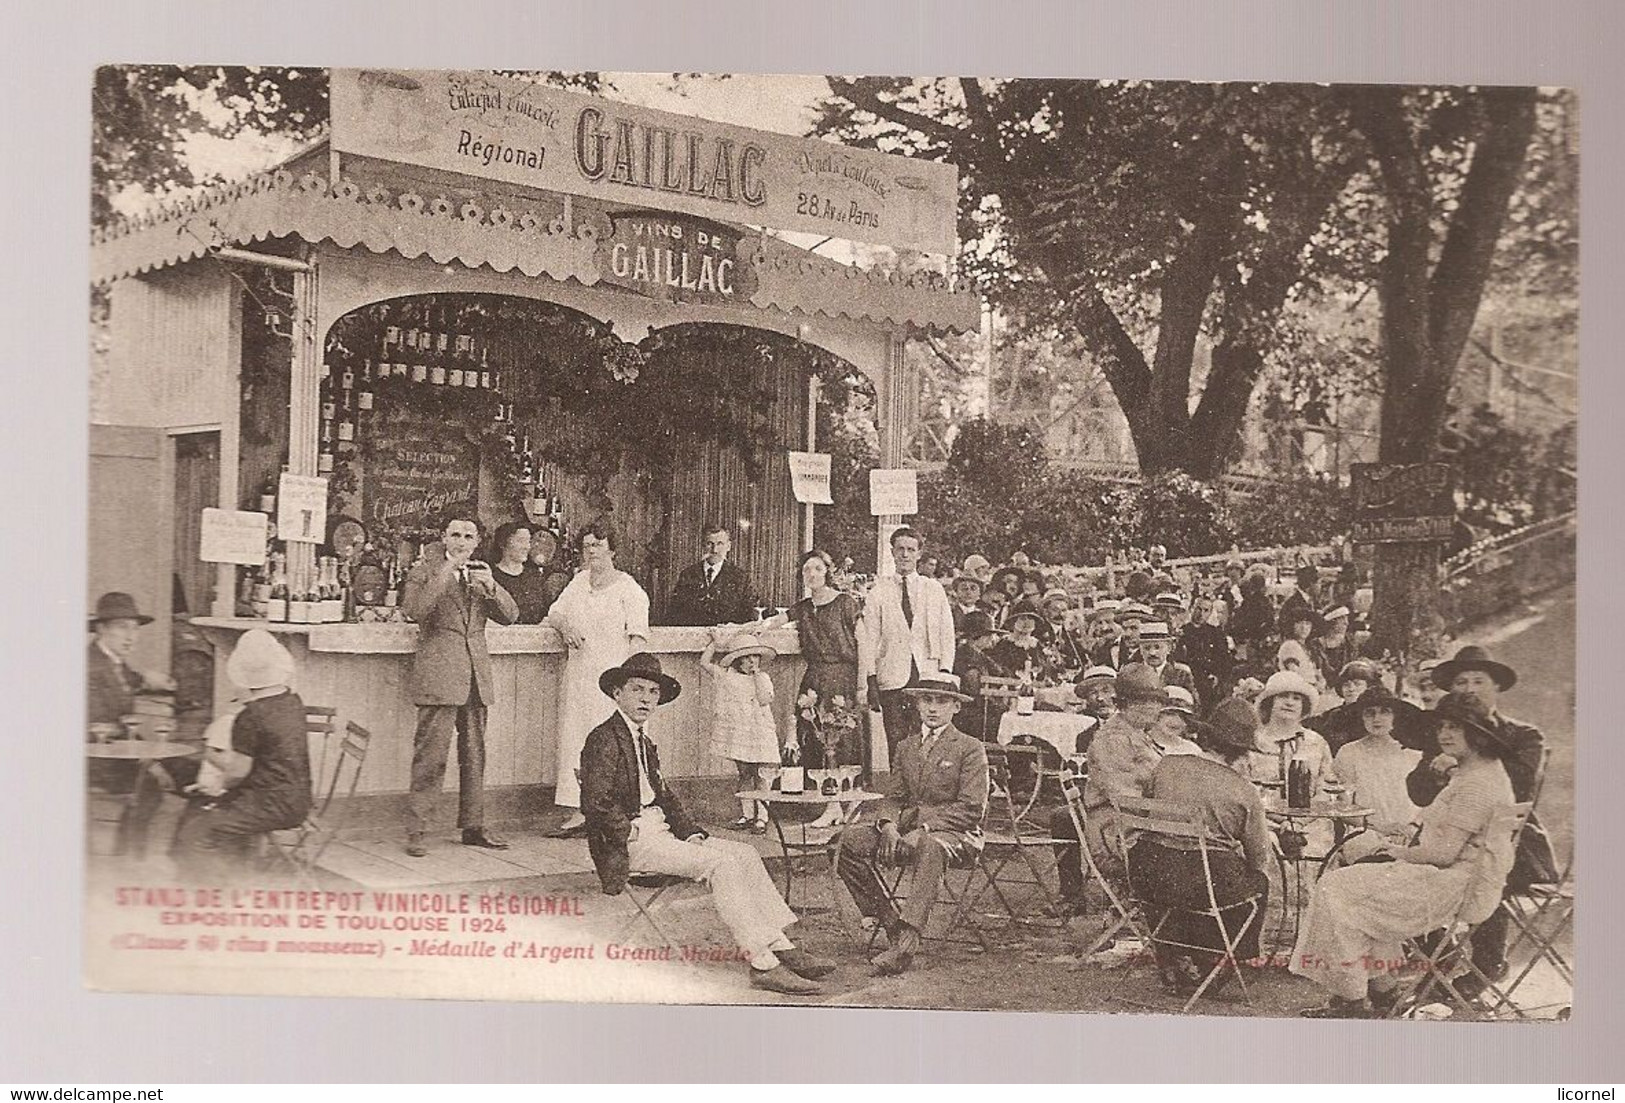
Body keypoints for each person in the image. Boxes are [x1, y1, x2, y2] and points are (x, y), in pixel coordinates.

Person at [579, 653, 833, 996]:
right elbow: (595, 804)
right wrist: (629, 831)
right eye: (636, 689)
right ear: (616, 693)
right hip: (630, 842)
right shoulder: (604, 739)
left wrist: (691, 833)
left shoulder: (642, 739)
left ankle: (780, 944)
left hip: (662, 834)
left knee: (744, 853)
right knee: (721, 864)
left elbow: (665, 797)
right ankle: (762, 962)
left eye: (652, 692)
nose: (645, 699)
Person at [1292, 693, 1521, 1017]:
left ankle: (1353, 1000)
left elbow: (1442, 854)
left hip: (1456, 886)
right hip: (1459, 879)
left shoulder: (1478, 783)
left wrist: (1398, 851)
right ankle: (1382, 988)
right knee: (1352, 886)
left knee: (1336, 888)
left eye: (1456, 728)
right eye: (1442, 726)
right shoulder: (1480, 772)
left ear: (1479, 732)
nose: (1445, 734)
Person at [1405, 644, 1558, 994]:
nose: (1469, 689)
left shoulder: (1523, 736)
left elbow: (1517, 788)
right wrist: (1434, 769)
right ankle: (1436, 964)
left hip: (1509, 840)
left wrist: (1460, 766)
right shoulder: (1446, 731)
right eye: (1461, 682)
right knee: (1411, 863)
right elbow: (1417, 792)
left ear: (1496, 687)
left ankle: (1487, 966)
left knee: (1483, 866)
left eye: (1478, 680)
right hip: (1453, 838)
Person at [836, 673, 989, 975]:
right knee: (844, 843)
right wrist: (889, 826)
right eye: (926, 700)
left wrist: (925, 829)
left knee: (930, 846)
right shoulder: (906, 746)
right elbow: (894, 796)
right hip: (905, 831)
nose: (933, 708)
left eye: (942, 701)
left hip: (957, 834)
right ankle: (891, 924)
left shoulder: (969, 747)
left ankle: (907, 942)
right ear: (917, 705)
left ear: (956, 707)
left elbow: (972, 808)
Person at [1129, 697, 1274, 994]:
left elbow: (1147, 814)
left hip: (1147, 874)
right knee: (1256, 883)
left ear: (1205, 735)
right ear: (1242, 752)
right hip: (1202, 883)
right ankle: (1217, 961)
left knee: (1188, 870)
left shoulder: (1166, 765)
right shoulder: (1242, 789)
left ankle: (1174, 954)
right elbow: (1259, 855)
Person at [402, 513, 519, 857]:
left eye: (469, 536)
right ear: (443, 537)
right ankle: (417, 829)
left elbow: (511, 616)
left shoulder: (483, 571)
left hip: (474, 677)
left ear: (477, 542)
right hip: (439, 675)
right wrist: (446, 571)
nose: (462, 542)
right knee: (431, 756)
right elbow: (415, 609)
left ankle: (473, 826)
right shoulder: (425, 570)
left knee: (475, 756)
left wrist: (492, 587)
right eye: (455, 535)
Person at [171, 630, 312, 884]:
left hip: (270, 804)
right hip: (298, 799)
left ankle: (215, 893)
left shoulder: (250, 716)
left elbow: (237, 772)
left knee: (196, 832)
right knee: (201, 808)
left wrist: (215, 775)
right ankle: (231, 876)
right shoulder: (292, 701)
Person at [543, 520, 651, 837]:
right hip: (579, 678)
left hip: (613, 684)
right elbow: (555, 612)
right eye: (587, 545)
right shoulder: (578, 583)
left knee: (613, 746)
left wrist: (630, 687)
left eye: (598, 545)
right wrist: (565, 627)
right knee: (578, 741)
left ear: (613, 550)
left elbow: (638, 639)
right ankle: (580, 811)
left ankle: (613, 815)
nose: (592, 551)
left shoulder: (629, 589)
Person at [1049, 663, 1167, 914]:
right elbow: (1126, 799)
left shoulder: (1140, 734)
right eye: (1147, 702)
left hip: (1138, 826)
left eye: (1157, 702)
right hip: (1117, 834)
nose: (1155, 708)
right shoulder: (1112, 740)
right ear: (1127, 704)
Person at [759, 550, 863, 824]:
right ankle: (827, 805)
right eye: (807, 570)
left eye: (817, 569)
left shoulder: (846, 603)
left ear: (827, 572)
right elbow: (773, 622)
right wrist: (748, 628)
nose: (812, 574)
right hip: (814, 678)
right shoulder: (803, 607)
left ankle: (845, 804)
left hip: (841, 678)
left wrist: (863, 683)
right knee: (813, 737)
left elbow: (863, 643)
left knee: (841, 740)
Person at [86, 591, 178, 850]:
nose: (131, 637)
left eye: (135, 629)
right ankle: (127, 857)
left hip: (118, 752)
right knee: (151, 787)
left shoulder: (111, 660)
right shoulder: (88, 667)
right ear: (101, 628)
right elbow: (99, 726)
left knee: (185, 770)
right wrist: (149, 762)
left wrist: (147, 677)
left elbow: (125, 680)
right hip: (97, 759)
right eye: (122, 628)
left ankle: (133, 850)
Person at [859, 527, 956, 757]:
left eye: (910, 550)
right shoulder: (879, 591)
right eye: (900, 549)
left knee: (928, 735)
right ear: (892, 552)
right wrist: (871, 679)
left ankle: (925, 791)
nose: (905, 555)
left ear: (919, 554)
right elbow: (869, 639)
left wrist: (944, 672)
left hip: (926, 674)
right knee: (897, 738)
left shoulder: (933, 589)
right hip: (892, 676)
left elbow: (946, 634)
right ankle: (899, 790)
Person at [700, 631, 780, 835]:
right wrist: (716, 644)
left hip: (760, 732)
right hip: (740, 732)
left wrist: (756, 677)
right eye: (746, 658)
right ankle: (747, 814)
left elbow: (764, 699)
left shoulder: (763, 678)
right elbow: (705, 662)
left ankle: (762, 817)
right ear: (737, 661)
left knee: (762, 775)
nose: (752, 661)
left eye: (755, 657)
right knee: (745, 773)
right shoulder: (727, 677)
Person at [1331, 684, 1424, 848]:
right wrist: (1380, 828)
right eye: (1370, 713)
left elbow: (1428, 805)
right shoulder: (1349, 753)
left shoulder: (1413, 755)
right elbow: (1342, 805)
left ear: (1395, 716)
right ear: (1362, 718)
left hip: (1410, 833)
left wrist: (1412, 827)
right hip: (1365, 832)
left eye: (1384, 712)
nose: (1377, 718)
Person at [1247, 670, 1337, 799]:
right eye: (1283, 696)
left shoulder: (1316, 742)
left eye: (1296, 698)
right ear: (1270, 702)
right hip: (1262, 816)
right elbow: (1244, 790)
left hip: (1312, 817)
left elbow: (1326, 788)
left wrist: (1304, 819)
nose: (1290, 703)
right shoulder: (1253, 740)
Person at [664, 522, 756, 626]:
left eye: (720, 544)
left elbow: (749, 617)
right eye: (709, 543)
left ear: (729, 546)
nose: (715, 550)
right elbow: (675, 614)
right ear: (703, 545)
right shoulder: (688, 575)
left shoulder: (741, 577)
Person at [487, 521, 551, 624]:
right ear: (503, 544)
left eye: (529, 541)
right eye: (521, 541)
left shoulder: (535, 576)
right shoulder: (490, 576)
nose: (527, 547)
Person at [1177, 594, 1233, 708]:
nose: (1201, 613)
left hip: (1209, 681)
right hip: (1189, 679)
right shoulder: (1183, 632)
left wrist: (1217, 675)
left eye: (1206, 610)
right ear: (1192, 608)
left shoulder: (1215, 634)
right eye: (1198, 609)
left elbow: (1224, 659)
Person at [989, 607, 1053, 682]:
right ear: (1014, 622)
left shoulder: (1036, 644)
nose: (1026, 622)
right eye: (1022, 619)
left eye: (1030, 619)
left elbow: (1043, 667)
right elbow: (998, 667)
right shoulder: (1005, 643)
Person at [1228, 569, 1277, 664]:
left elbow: (1243, 621)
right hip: (1262, 636)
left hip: (1252, 638)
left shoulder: (1250, 602)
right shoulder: (1265, 601)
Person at [1138, 621, 1196, 696]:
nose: (1152, 653)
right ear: (1140, 649)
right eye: (1147, 648)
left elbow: (1193, 704)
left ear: (1169, 648)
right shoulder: (1133, 673)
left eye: (1157, 647)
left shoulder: (1181, 674)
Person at [527, 527, 573, 620]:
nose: (541, 548)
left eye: (547, 545)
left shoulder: (559, 578)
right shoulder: (523, 572)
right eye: (536, 543)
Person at [1042, 588, 1089, 672]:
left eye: (1064, 610)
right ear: (1045, 612)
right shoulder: (1041, 633)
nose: (1061, 614)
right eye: (1055, 610)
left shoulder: (1070, 635)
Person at [1151, 686, 1204, 757]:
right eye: (1170, 714)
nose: (1176, 722)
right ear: (1157, 715)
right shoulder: (1141, 743)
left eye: (1183, 717)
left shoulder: (1192, 751)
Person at [1277, 564, 1321, 639]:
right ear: (1311, 584)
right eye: (1319, 583)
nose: (1320, 587)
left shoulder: (1314, 601)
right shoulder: (1293, 603)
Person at [949, 573, 985, 639]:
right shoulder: (949, 613)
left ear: (979, 594)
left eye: (973, 589)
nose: (968, 592)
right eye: (964, 588)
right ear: (956, 593)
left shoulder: (984, 615)